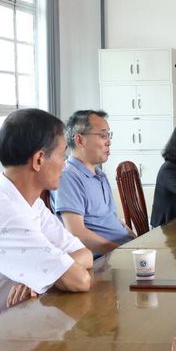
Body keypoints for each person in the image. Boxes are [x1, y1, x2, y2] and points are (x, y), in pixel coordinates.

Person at [0, 109, 93, 330]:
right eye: (62, 155)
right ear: (39, 159)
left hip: (7, 323)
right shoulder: (5, 215)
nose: (65, 163)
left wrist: (43, 275)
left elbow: (85, 254)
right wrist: (53, 273)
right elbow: (80, 280)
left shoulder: (28, 202)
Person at [54, 110, 134, 257]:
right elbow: (76, 232)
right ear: (80, 140)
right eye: (103, 135)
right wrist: (122, 253)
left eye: (109, 135)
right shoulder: (67, 176)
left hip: (124, 252)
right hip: (104, 259)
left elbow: (112, 219)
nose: (108, 142)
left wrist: (138, 242)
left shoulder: (100, 174)